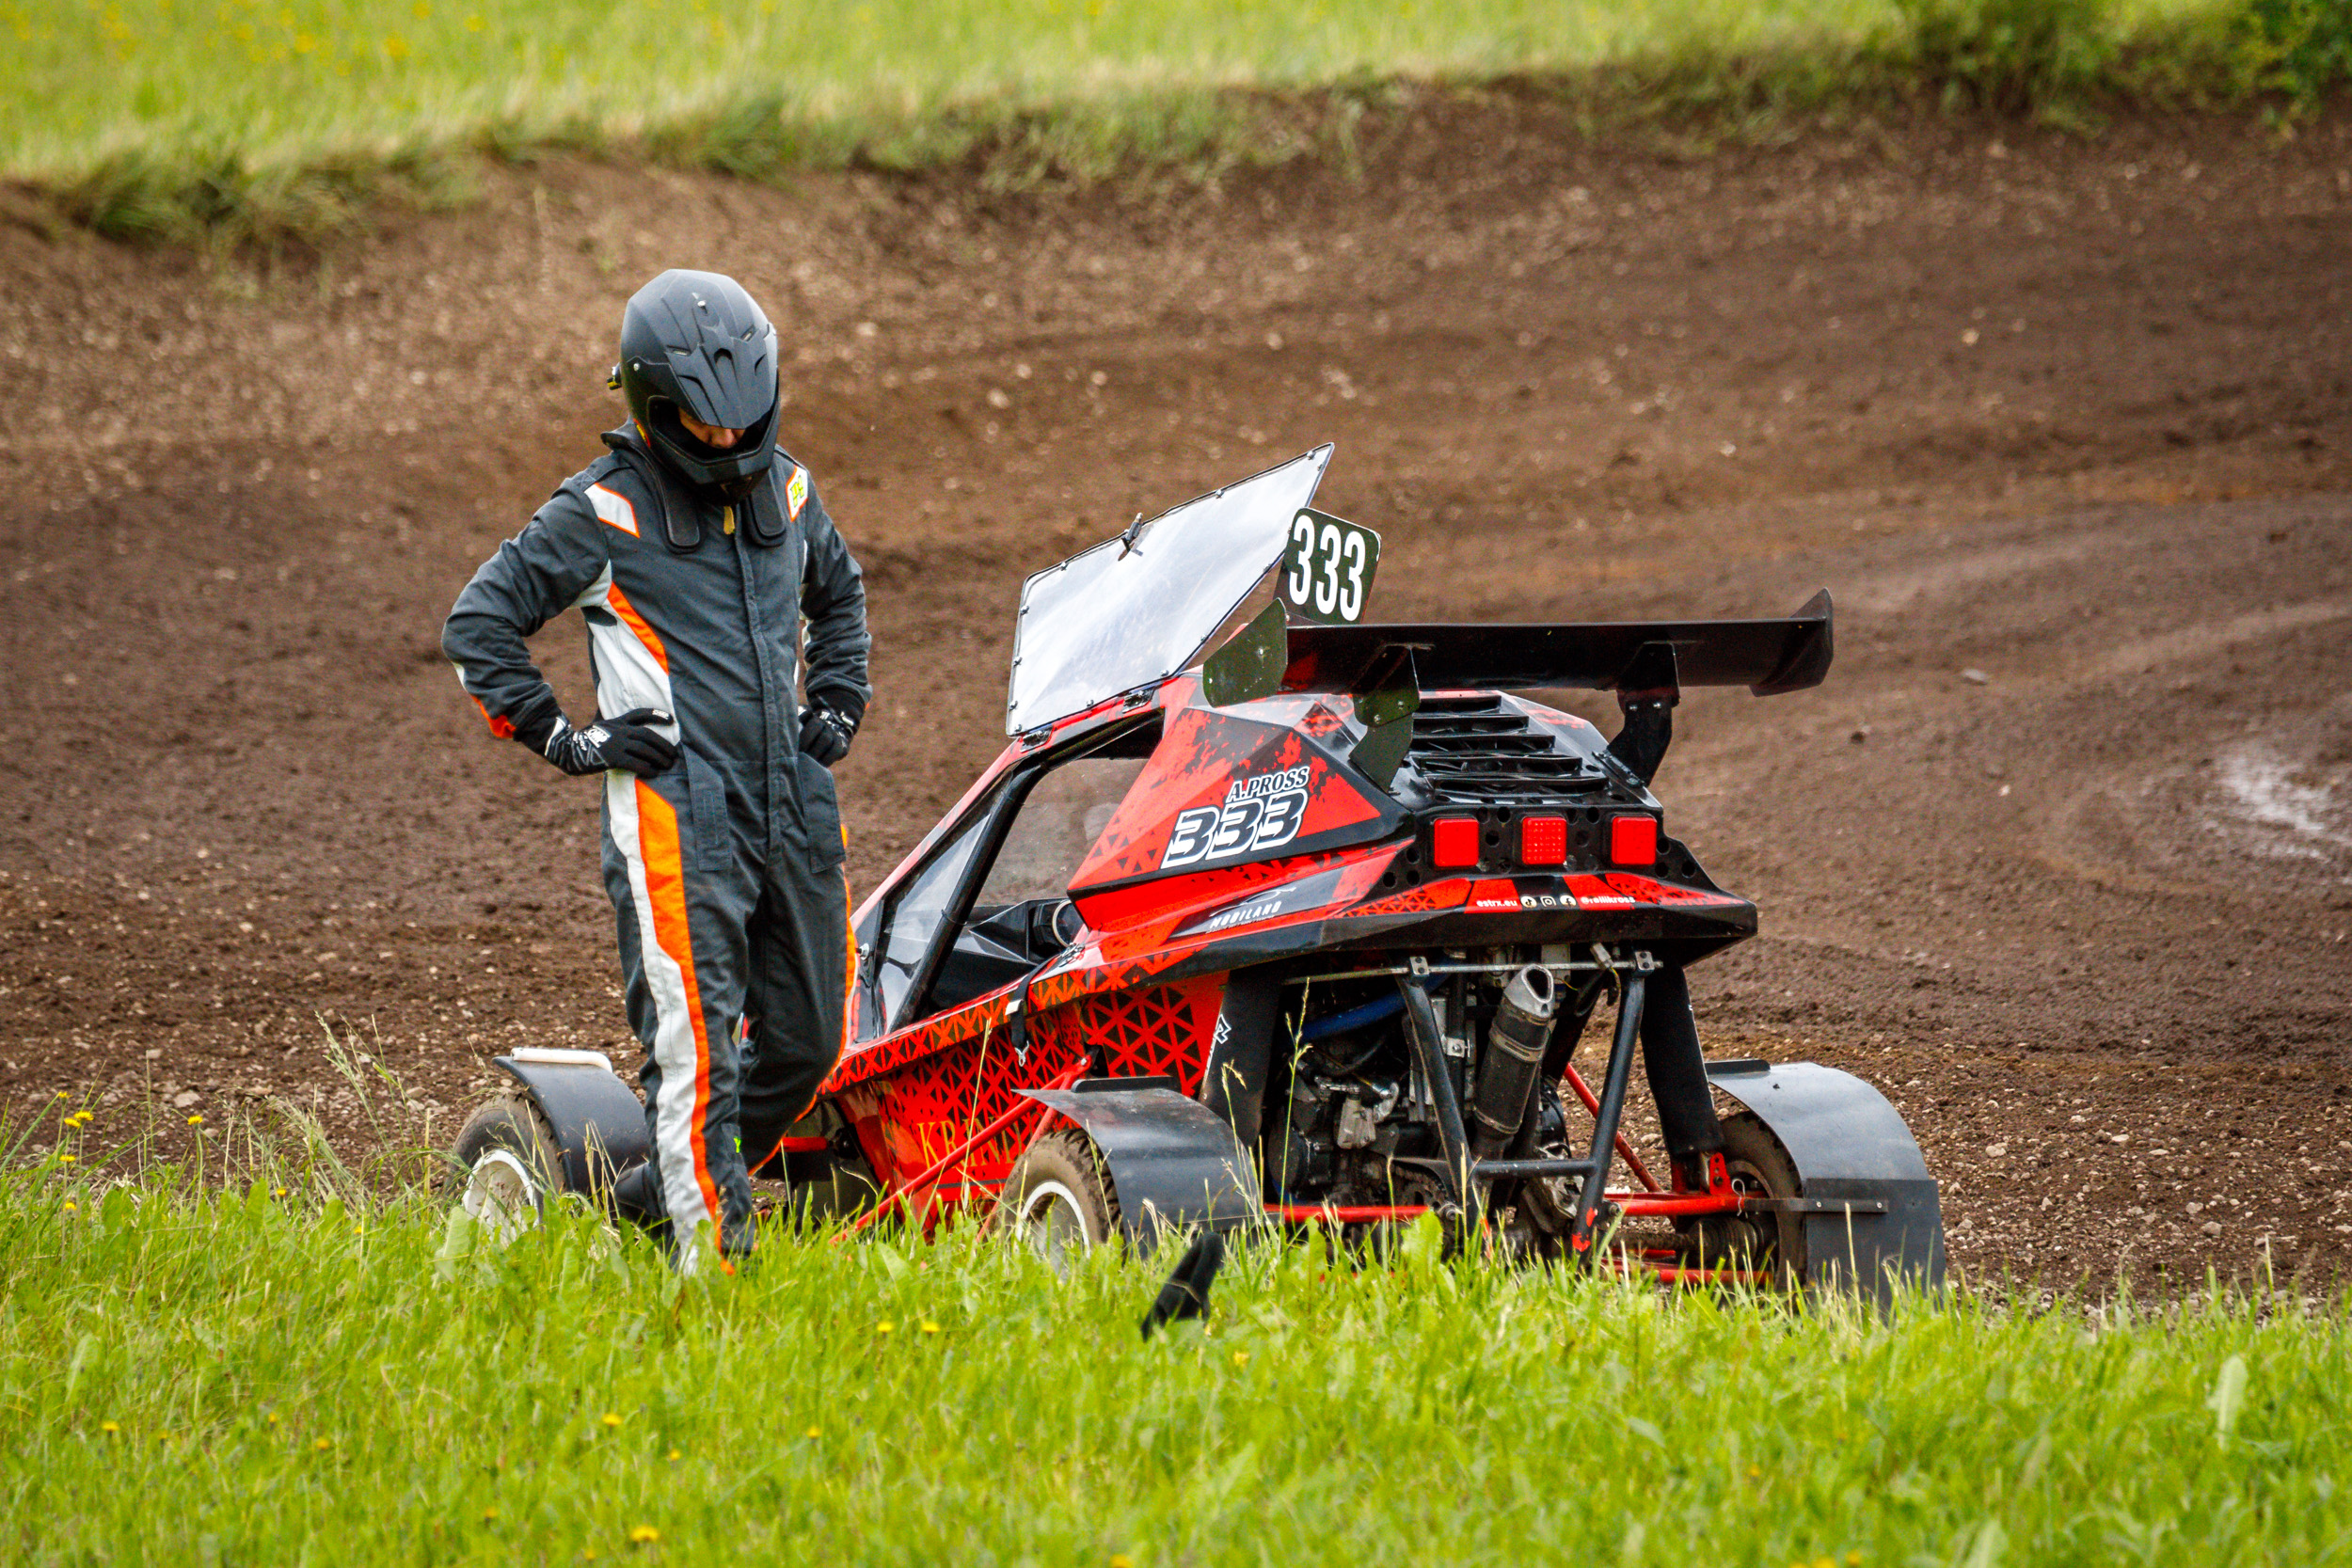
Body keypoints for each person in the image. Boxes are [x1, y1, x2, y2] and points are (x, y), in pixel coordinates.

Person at [442, 269, 871, 1271]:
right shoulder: (600, 509)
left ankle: (649, 1200)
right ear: (651, 403)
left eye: (742, 418)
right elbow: (479, 624)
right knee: (698, 1058)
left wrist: (838, 698)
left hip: (794, 801)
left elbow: (840, 596)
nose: (726, 437)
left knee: (812, 1041)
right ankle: (716, 1280)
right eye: (703, 421)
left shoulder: (790, 488)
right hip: (678, 814)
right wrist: (567, 739)